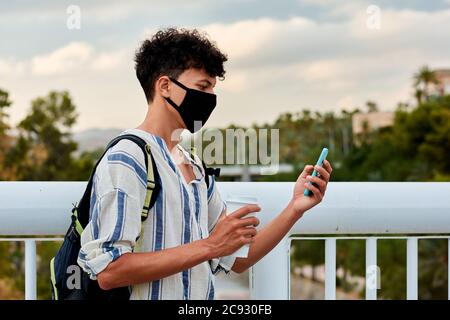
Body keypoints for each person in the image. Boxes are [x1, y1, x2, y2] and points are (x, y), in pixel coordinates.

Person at [77, 27, 333, 300]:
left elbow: (236, 259)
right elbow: (110, 271)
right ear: (165, 86)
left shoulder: (195, 166)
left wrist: (295, 208)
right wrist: (210, 246)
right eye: (202, 87)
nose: (210, 98)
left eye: (212, 88)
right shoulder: (128, 158)